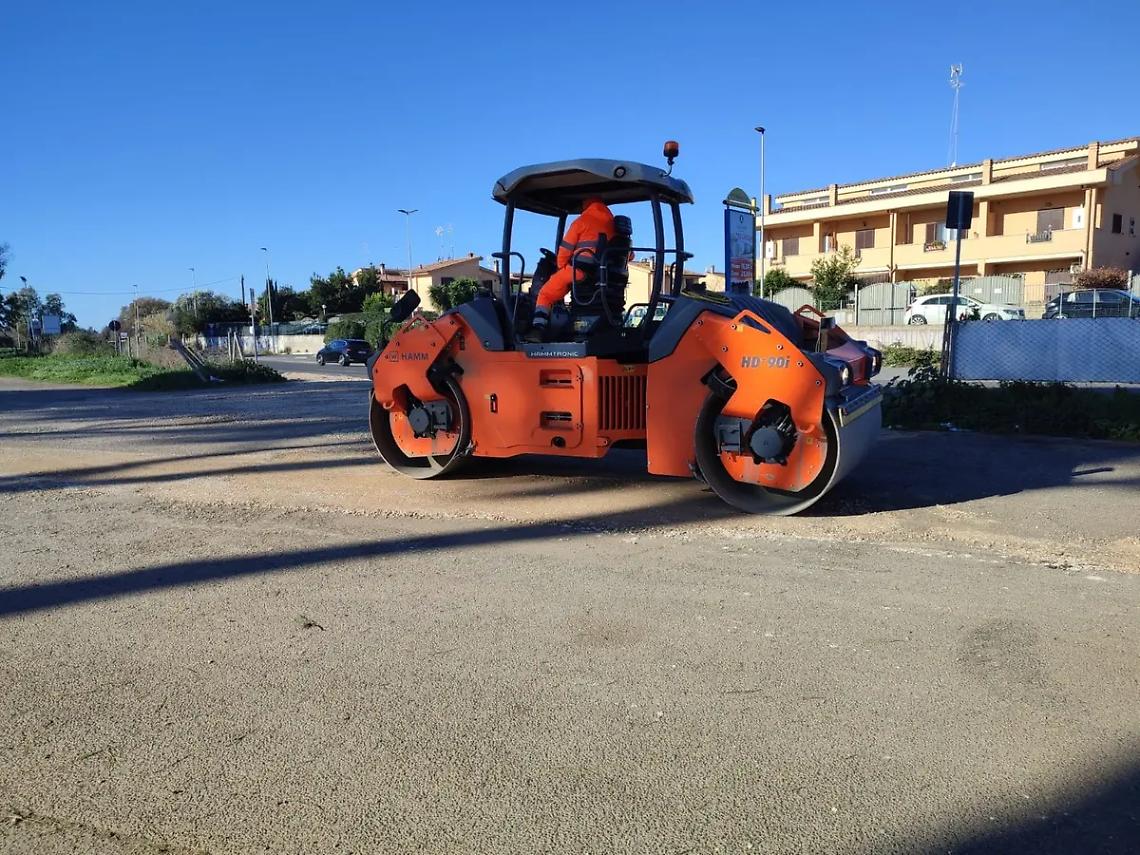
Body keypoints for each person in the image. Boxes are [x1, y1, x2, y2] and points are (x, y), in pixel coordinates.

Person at [526, 198, 617, 341]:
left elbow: (565, 250)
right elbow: (629, 255)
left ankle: (538, 329)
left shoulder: (581, 221)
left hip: (579, 272)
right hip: (604, 276)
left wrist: (560, 267)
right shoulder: (613, 225)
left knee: (545, 294)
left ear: (586, 206)